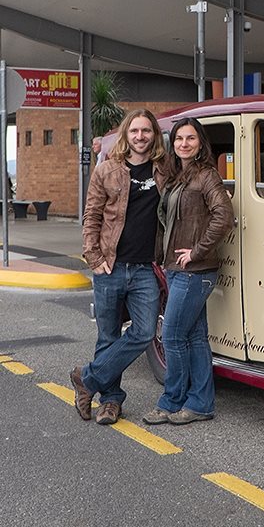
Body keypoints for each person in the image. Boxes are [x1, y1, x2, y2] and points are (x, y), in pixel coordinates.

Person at [70, 109, 168, 425]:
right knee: (108, 336)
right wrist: (93, 257)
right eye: (135, 131)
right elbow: (92, 216)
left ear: (155, 135)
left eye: (147, 131)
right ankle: (111, 402)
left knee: (142, 332)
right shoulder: (108, 170)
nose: (141, 137)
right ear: (127, 134)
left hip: (144, 269)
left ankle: (86, 378)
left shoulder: (164, 170)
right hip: (110, 266)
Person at [143, 117, 233, 425]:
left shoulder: (206, 176)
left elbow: (224, 216)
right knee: (195, 338)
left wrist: (197, 251)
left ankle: (172, 401)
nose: (184, 143)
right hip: (175, 269)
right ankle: (201, 403)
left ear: (200, 143)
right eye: (179, 138)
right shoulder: (174, 177)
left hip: (196, 271)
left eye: (190, 138)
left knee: (172, 336)